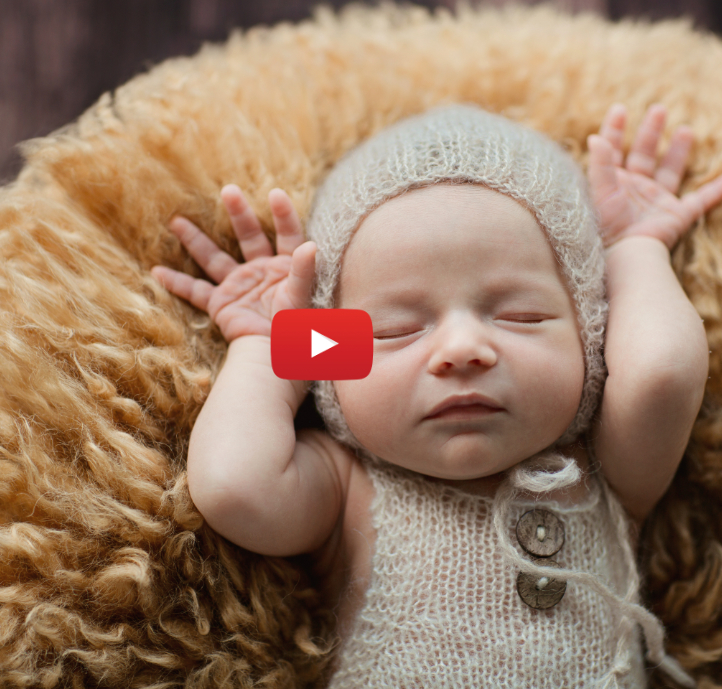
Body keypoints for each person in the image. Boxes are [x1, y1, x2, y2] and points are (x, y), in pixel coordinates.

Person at [151, 103, 722, 687]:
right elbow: (231, 485)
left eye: (522, 317)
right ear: (332, 364)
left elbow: (662, 374)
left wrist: (632, 249)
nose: (462, 348)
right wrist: (275, 345)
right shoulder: (349, 492)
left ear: (592, 333)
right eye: (397, 330)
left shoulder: (604, 472)